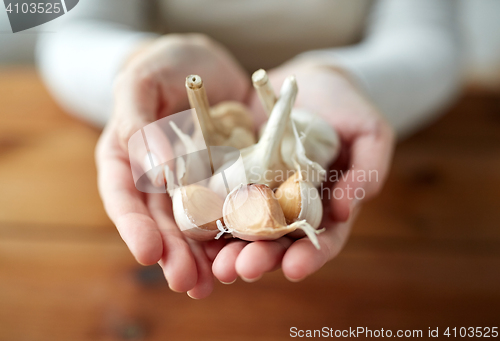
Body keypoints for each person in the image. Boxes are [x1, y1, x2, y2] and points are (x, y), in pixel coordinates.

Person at [36, 0, 462, 299]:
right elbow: (66, 28)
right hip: (184, 112)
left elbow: (431, 42)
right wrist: (136, 67)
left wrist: (347, 78)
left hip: (385, 226)